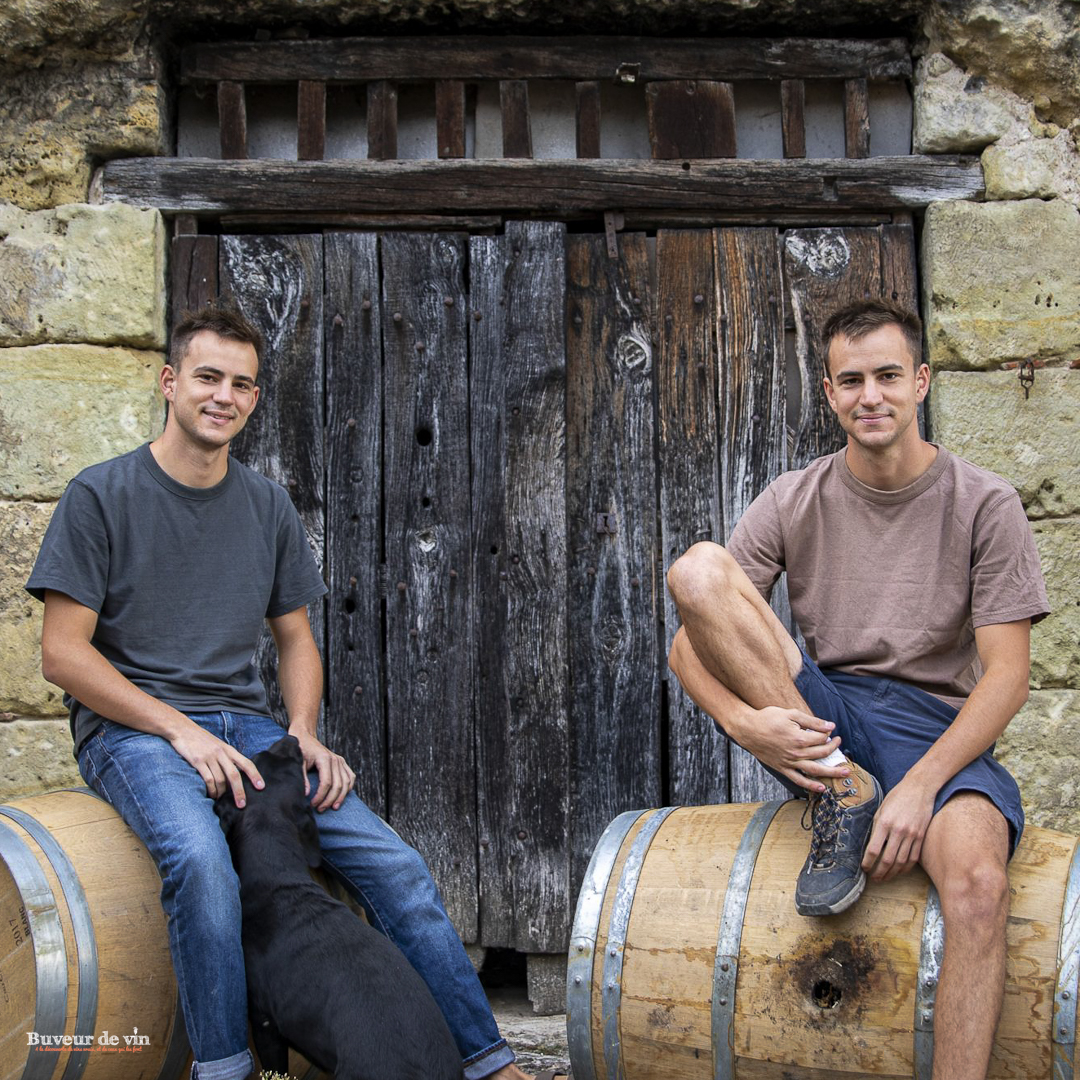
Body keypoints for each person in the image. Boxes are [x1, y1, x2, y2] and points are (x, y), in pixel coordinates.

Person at [27, 302, 533, 1080]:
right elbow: (62, 654)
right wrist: (178, 731)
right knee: (200, 863)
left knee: (395, 865)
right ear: (170, 382)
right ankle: (228, 1070)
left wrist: (303, 732)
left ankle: (489, 1061)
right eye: (206, 377)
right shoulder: (100, 496)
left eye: (242, 383)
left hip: (252, 730)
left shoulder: (264, 505)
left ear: (255, 399)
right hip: (134, 730)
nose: (223, 396)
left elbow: (295, 637)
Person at [666, 298, 1048, 1080]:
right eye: (850, 380)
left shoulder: (986, 503)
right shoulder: (793, 496)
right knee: (697, 570)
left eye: (886, 376)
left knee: (977, 885)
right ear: (831, 394)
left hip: (934, 728)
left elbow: (1008, 677)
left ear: (922, 382)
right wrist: (749, 726)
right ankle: (846, 794)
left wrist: (922, 789)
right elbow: (686, 646)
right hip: (824, 716)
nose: (869, 395)